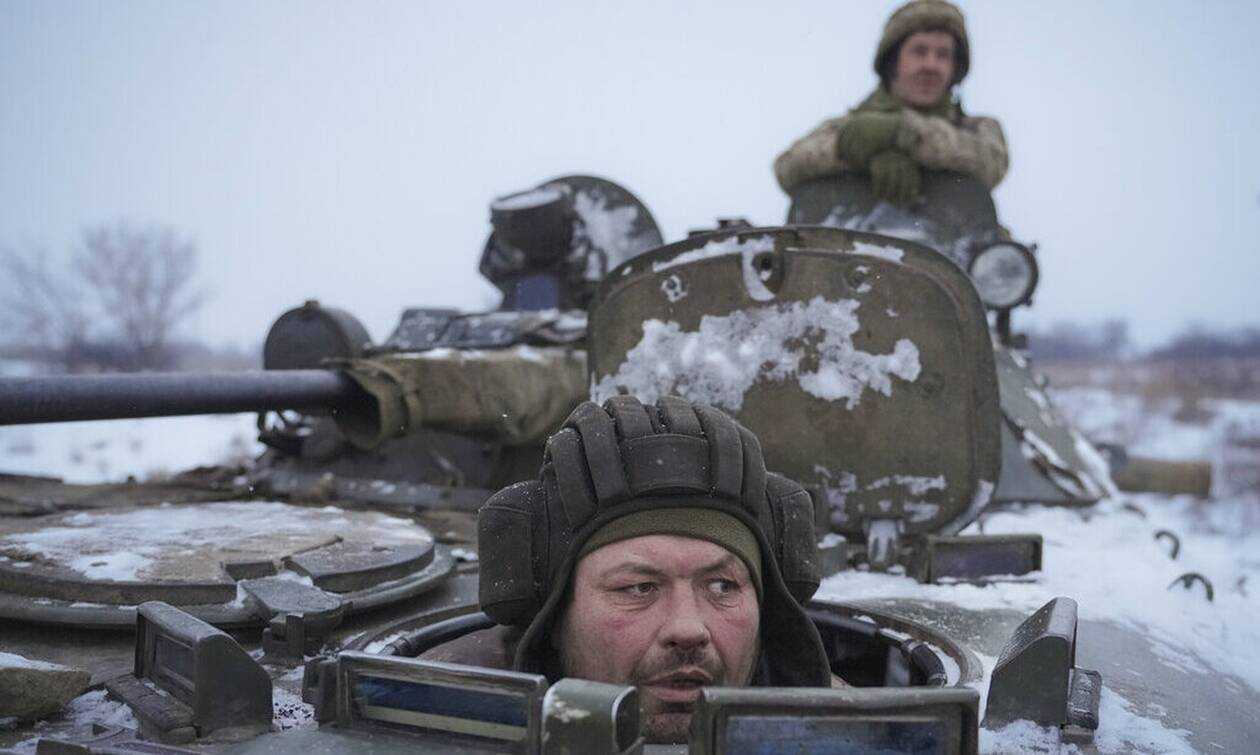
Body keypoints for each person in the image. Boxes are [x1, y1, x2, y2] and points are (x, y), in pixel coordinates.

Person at [424, 395, 836, 744]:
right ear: (554, 618)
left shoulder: (849, 731)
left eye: (722, 586)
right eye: (639, 587)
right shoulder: (433, 725)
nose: (688, 629)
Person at [773, 0, 1008, 206]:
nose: (931, 65)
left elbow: (990, 163)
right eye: (919, 51)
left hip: (953, 243)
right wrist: (855, 149)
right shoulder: (849, 126)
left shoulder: (977, 129)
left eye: (943, 55)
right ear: (893, 60)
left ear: (955, 67)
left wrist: (902, 132)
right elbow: (788, 166)